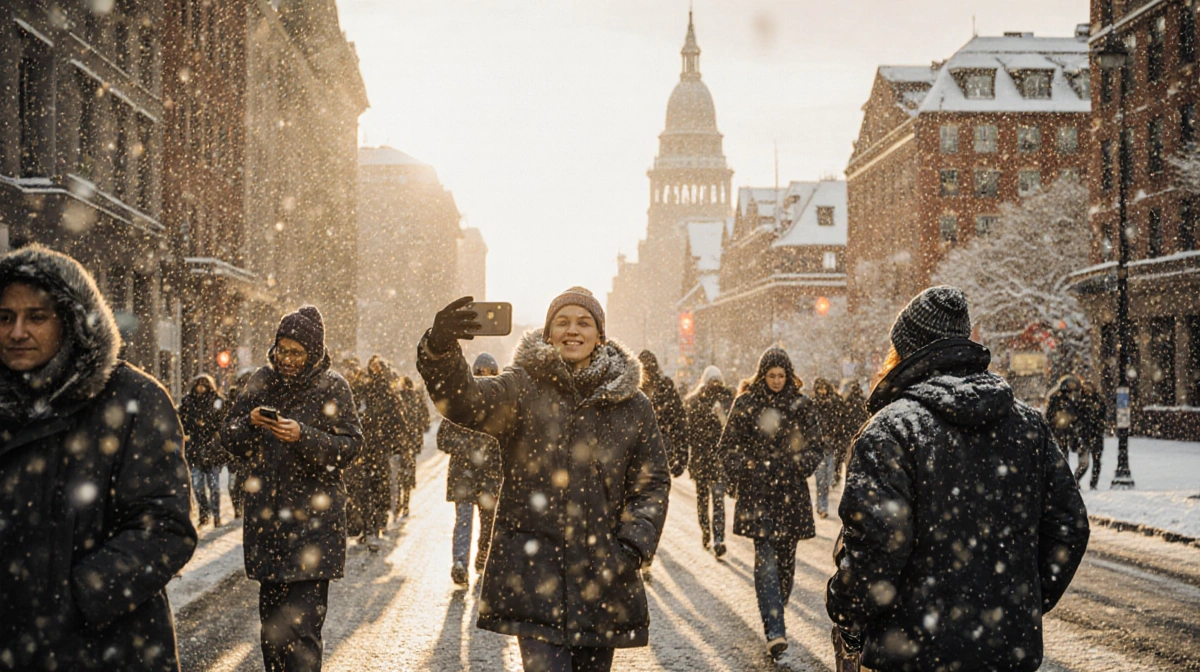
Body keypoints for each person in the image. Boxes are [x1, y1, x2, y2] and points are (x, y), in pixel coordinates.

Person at [826, 286, 1089, 672]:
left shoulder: (893, 430)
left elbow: (877, 549)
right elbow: (1069, 526)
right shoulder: (1027, 424)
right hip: (1005, 652)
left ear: (907, 349)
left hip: (911, 652)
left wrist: (847, 615)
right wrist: (1021, 600)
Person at [417, 289, 671, 672]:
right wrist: (440, 350)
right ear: (548, 333)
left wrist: (630, 547)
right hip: (534, 576)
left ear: (600, 335)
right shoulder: (522, 387)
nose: (573, 330)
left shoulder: (633, 405)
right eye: (562, 322)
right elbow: (463, 401)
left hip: (601, 579)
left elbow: (651, 482)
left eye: (584, 323)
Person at [0, 245, 197, 671]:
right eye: (5, 317)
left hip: (106, 651)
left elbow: (165, 528)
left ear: (70, 320)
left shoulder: (134, 400)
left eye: (36, 317)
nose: (17, 332)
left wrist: (70, 597)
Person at [221, 305, 363, 672]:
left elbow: (351, 446)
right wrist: (249, 423)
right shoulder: (259, 382)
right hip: (267, 530)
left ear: (313, 353)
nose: (285, 359)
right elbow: (228, 436)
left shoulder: (334, 387)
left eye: (295, 352)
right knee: (273, 639)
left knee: (301, 640)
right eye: (281, 349)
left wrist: (305, 437)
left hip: (314, 532)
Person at [718, 346, 822, 659]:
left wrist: (796, 466)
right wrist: (748, 466)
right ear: (762, 375)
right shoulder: (746, 403)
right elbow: (727, 448)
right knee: (765, 560)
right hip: (758, 493)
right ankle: (774, 630)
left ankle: (776, 604)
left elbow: (817, 446)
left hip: (790, 494)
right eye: (771, 375)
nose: (776, 380)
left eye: (781, 375)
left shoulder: (801, 405)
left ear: (788, 376)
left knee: (786, 563)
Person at [437, 352, 502, 585]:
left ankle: (483, 557)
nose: (484, 376)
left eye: (488, 372)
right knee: (464, 520)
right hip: (463, 474)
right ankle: (460, 563)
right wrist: (467, 447)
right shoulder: (460, 402)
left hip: (490, 475)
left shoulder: (501, 405)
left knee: (488, 523)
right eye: (480, 372)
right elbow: (442, 438)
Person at [346, 355, 405, 551]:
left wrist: (392, 442)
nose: (375, 370)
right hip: (363, 449)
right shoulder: (363, 389)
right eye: (372, 366)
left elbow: (398, 421)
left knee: (378, 488)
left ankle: (376, 524)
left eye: (378, 367)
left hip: (378, 449)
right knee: (363, 490)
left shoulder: (387, 392)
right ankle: (369, 527)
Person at [683, 365, 735, 556]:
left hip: (716, 460)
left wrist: (721, 415)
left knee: (717, 499)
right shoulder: (695, 401)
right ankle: (706, 532)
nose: (715, 384)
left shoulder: (727, 399)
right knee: (703, 500)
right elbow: (690, 430)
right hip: (703, 458)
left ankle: (719, 537)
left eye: (717, 380)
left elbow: (730, 429)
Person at [180, 373, 227, 527]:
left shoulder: (217, 402)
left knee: (214, 487)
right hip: (195, 450)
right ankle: (204, 514)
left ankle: (217, 516)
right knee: (198, 487)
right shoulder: (188, 402)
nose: (201, 388)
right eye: (198, 385)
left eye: (204, 385)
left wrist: (210, 429)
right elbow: (182, 422)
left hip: (212, 449)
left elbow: (222, 421)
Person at [394, 375, 429, 519]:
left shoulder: (398, 399)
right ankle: (404, 502)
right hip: (410, 442)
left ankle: (400, 502)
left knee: (399, 473)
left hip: (400, 442)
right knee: (406, 473)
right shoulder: (416, 398)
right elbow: (425, 420)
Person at [809, 377, 843, 519]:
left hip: (831, 446)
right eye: (819, 388)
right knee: (821, 478)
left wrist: (834, 436)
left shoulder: (833, 404)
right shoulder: (812, 405)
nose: (822, 391)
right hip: (819, 447)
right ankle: (822, 506)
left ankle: (822, 504)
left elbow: (840, 422)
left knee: (827, 478)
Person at [226, 369, 255, 519]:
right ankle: (238, 506)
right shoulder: (233, 398)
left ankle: (242, 506)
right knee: (234, 484)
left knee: (245, 482)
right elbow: (225, 422)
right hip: (235, 449)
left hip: (250, 449)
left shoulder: (258, 398)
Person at [1076, 379, 1107, 489]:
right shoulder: (1080, 401)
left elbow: (1102, 416)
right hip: (1085, 435)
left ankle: (1093, 483)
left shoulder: (1097, 400)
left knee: (1096, 461)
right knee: (1085, 463)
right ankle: (1077, 480)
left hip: (1094, 434)